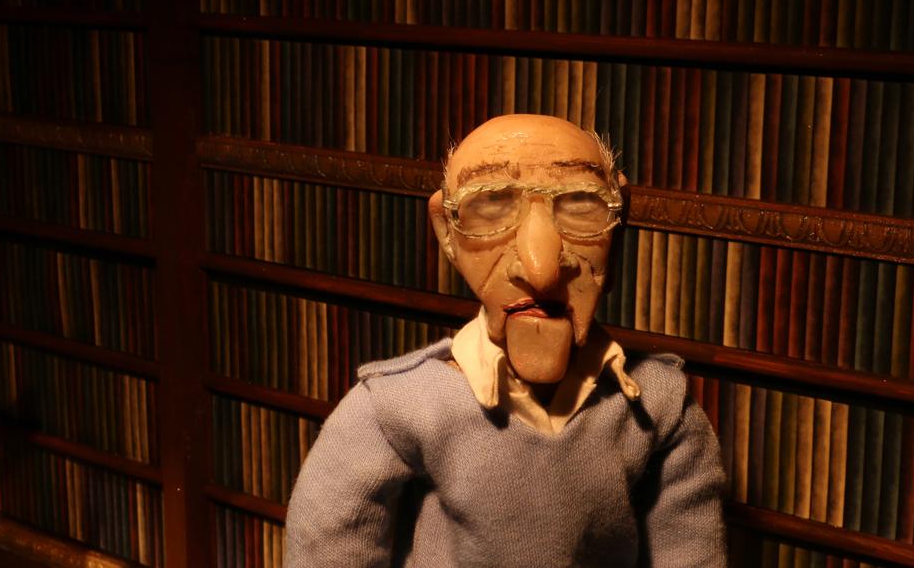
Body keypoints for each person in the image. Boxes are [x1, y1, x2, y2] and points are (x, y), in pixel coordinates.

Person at [284, 114, 726, 567]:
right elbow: (328, 549)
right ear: (447, 233)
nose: (540, 269)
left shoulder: (659, 406)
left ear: (619, 225)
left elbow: (689, 550)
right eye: (491, 206)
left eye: (581, 205)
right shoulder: (396, 408)